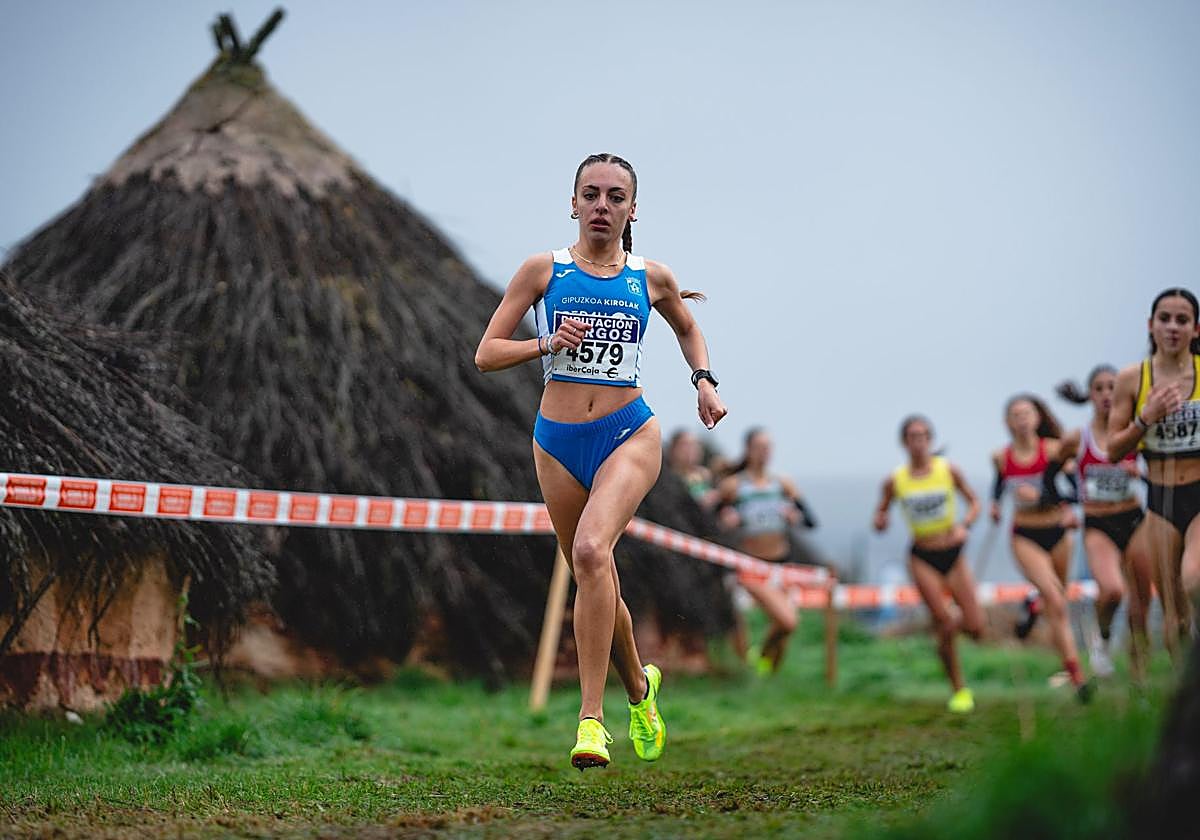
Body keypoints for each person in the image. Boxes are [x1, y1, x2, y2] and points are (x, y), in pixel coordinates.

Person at [475, 153, 727, 770]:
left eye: (615, 197)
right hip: (556, 441)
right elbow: (485, 352)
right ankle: (640, 688)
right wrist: (544, 343)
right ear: (572, 203)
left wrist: (704, 380)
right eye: (591, 194)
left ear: (631, 210)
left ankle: (591, 722)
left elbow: (688, 328)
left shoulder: (650, 276)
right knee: (594, 573)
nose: (601, 206)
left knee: (591, 553)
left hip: (628, 434)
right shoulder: (543, 270)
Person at [1109, 288, 1200, 659]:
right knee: (1175, 617)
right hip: (1160, 501)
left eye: (1182, 320)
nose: (1173, 327)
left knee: (1194, 579)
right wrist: (1146, 418)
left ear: (1196, 329)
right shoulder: (1132, 379)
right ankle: (1186, 705)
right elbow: (1114, 450)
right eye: (1165, 318)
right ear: (1151, 325)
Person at [873, 416, 985, 713]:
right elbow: (880, 514)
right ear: (904, 442)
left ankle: (943, 642)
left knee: (975, 627)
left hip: (954, 552)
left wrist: (966, 524)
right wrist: (881, 520)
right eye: (912, 436)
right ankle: (959, 690)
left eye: (923, 435)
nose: (918, 441)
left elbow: (975, 503)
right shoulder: (896, 480)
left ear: (931, 439)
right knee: (945, 622)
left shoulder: (948, 470)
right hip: (922, 556)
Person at [991, 395, 1093, 701]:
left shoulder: (1053, 450)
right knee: (1057, 603)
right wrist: (995, 505)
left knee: (1057, 597)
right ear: (1007, 423)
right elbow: (999, 483)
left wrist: (1060, 507)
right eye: (1015, 414)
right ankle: (1078, 678)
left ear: (1037, 418)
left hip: (1059, 533)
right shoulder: (1000, 456)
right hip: (1025, 535)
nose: (1022, 419)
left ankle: (1034, 605)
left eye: (1027, 413)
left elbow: (1076, 491)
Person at [1057, 368, 1151, 678]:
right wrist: (1066, 505)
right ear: (1090, 395)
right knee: (1111, 591)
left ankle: (1139, 677)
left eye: (1113, 387)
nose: (1107, 394)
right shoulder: (1077, 438)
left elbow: (1163, 473)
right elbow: (1049, 473)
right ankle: (1103, 638)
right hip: (1098, 522)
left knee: (1141, 605)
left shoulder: (1136, 435)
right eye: (1099, 388)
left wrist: (1143, 475)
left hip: (1134, 517)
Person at [715, 428, 817, 675]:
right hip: (751, 565)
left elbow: (811, 521)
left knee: (783, 627)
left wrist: (795, 516)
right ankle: (759, 659)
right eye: (759, 447)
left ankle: (766, 676)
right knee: (788, 621)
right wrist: (725, 520)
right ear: (748, 450)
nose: (764, 453)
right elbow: (709, 521)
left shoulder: (782, 483)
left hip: (781, 563)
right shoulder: (734, 486)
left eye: (768, 447)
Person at [666, 429, 719, 509]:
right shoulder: (666, 477)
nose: (690, 450)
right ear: (673, 448)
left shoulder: (705, 475)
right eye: (685, 445)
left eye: (695, 445)